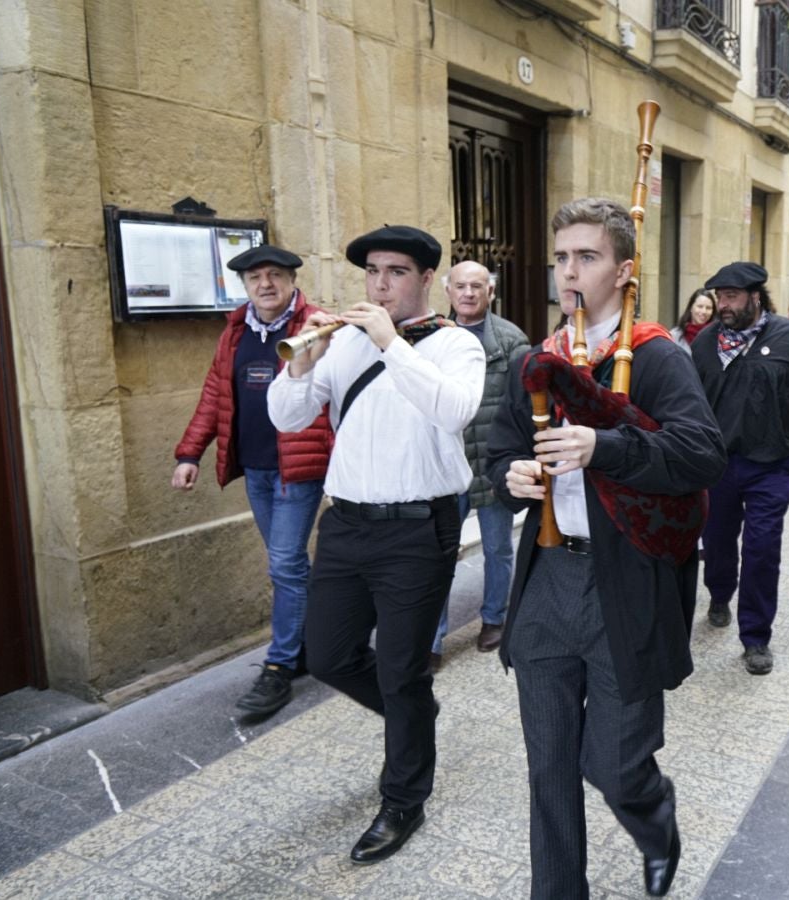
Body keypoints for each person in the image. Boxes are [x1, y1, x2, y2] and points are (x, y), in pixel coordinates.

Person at [486, 198, 725, 898]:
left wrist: (602, 445)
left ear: (623, 271)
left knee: (615, 762)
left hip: (627, 582)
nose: (568, 270)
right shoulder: (537, 359)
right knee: (549, 766)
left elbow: (701, 453)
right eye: (561, 257)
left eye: (586, 257)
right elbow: (499, 452)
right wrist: (510, 476)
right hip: (547, 583)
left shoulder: (655, 355)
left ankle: (652, 816)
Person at [267, 225, 484, 864]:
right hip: (346, 524)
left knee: (400, 667)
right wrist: (301, 366)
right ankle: (412, 711)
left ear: (424, 280)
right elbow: (286, 416)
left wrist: (391, 342)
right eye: (372, 273)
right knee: (329, 656)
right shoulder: (341, 344)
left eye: (395, 272)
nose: (380, 284)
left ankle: (403, 799)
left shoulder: (454, 345)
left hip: (419, 529)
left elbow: (453, 412)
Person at [172, 245, 334, 717]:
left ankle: (280, 667)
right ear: (244, 286)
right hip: (256, 468)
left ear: (291, 281)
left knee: (284, 565)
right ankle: (306, 643)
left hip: (298, 467)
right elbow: (214, 395)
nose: (265, 284)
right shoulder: (235, 331)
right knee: (287, 565)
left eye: (275, 276)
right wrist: (190, 453)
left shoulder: (314, 325)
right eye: (255, 278)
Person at [690, 261, 789, 675]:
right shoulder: (706, 343)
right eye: (718, 297)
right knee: (719, 542)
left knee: (763, 550)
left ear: (755, 298)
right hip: (719, 465)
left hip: (771, 466)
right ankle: (719, 592)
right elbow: (692, 403)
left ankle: (756, 638)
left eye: (730, 297)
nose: (722, 305)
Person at [430, 260, 531, 669]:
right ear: (448, 291)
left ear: (490, 292)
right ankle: (432, 639)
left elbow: (524, 408)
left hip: (491, 464)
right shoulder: (432, 337)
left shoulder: (510, 341)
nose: (468, 293)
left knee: (496, 548)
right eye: (461, 286)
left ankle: (495, 618)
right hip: (446, 467)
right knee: (438, 554)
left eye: (477, 286)